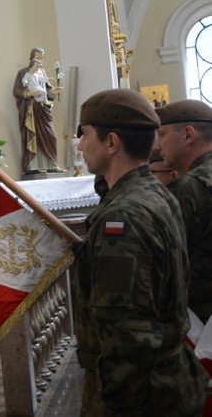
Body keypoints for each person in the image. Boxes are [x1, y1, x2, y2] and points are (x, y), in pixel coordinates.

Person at [74, 89, 208, 416]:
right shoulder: (154, 194)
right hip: (167, 379)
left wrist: (114, 403)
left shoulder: (122, 219)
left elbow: (126, 336)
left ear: (112, 142)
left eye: (85, 135)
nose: (80, 145)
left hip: (141, 396)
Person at [155, 99, 212, 322]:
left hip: (203, 320)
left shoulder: (190, 187)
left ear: (188, 135)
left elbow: (164, 262)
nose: (158, 147)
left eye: (162, 135)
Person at [12, 49, 62, 174]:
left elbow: (47, 90)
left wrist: (53, 92)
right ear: (32, 58)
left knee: (51, 136)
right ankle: (35, 166)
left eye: (42, 58)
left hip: (43, 107)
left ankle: (52, 164)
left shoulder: (42, 72)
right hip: (32, 109)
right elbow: (17, 92)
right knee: (35, 136)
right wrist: (29, 94)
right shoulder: (23, 72)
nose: (41, 60)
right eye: (38, 58)